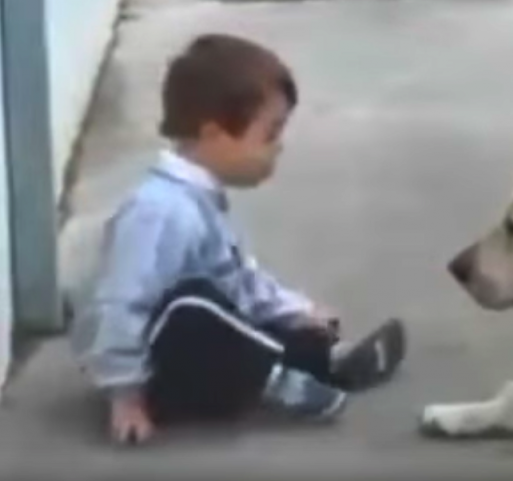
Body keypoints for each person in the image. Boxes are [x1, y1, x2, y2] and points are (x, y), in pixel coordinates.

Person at [69, 33, 406, 446]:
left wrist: (298, 312)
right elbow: (120, 305)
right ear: (214, 135)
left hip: (210, 361)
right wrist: (126, 396)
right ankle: (281, 380)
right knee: (192, 307)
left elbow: (243, 282)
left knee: (260, 317)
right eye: (269, 134)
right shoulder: (158, 210)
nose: (279, 148)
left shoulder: (202, 200)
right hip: (159, 378)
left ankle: (329, 361)